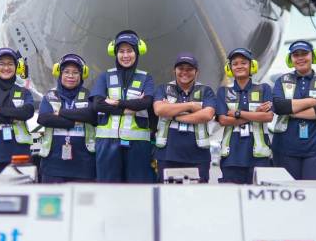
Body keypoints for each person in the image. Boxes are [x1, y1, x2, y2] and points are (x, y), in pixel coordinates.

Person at [91, 30, 156, 182]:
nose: (125, 55)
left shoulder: (146, 78)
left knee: (137, 189)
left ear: (137, 52)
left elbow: (146, 102)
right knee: (108, 188)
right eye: (121, 51)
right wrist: (129, 109)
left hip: (138, 144)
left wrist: (118, 102)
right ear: (115, 53)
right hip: (107, 143)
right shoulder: (105, 76)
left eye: (129, 51)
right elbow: (98, 105)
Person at [271, 40, 316, 180]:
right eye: (296, 55)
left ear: (314, 56)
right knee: (288, 191)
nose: (300, 58)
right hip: (285, 148)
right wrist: (311, 102)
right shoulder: (281, 80)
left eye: (304, 54)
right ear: (290, 59)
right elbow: (278, 106)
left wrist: (292, 111)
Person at [152, 53, 217, 183]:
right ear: (174, 71)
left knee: (197, 194)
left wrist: (174, 115)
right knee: (167, 193)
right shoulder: (163, 89)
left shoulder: (206, 91)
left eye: (189, 69)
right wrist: (191, 105)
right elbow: (159, 109)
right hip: (167, 154)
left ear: (197, 72)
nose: (184, 72)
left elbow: (207, 115)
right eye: (181, 68)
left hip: (198, 156)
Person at [214, 48, 274, 184]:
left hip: (259, 156)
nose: (239, 66)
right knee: (232, 195)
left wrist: (238, 113)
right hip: (232, 155)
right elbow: (223, 120)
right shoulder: (224, 91)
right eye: (235, 64)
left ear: (252, 66)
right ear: (229, 68)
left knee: (259, 195)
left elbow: (268, 117)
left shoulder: (264, 88)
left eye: (243, 63)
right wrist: (255, 113)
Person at [37, 53, 98, 182]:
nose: (71, 76)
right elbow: (44, 119)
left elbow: (91, 115)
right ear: (59, 74)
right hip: (53, 166)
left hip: (84, 165)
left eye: (75, 72)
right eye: (66, 72)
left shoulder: (90, 96)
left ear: (82, 75)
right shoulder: (49, 96)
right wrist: (75, 120)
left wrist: (60, 113)